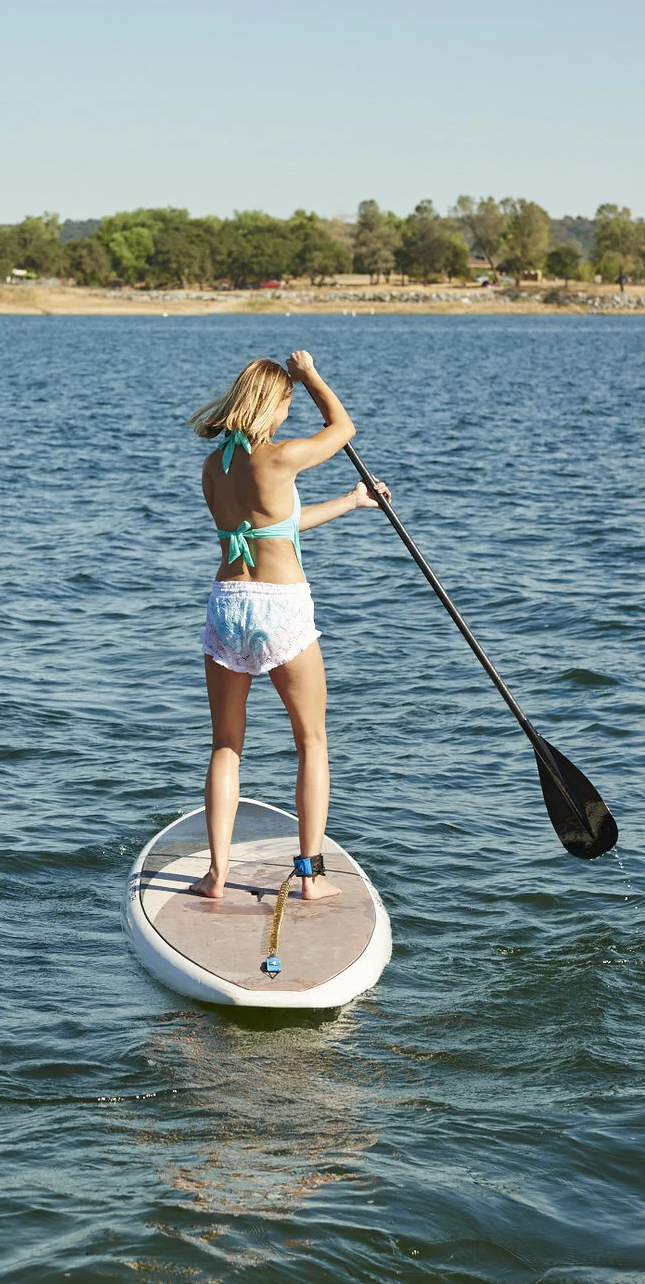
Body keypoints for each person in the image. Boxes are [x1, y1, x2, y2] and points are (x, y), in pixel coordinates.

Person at [188, 350, 390, 901]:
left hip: (227, 604)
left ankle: (216, 875)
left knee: (226, 745)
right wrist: (311, 374)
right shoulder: (282, 456)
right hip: (281, 607)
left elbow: (271, 527)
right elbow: (343, 428)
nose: (288, 412)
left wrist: (351, 502)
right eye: (286, 402)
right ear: (270, 404)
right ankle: (311, 876)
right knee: (312, 741)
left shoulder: (215, 467)